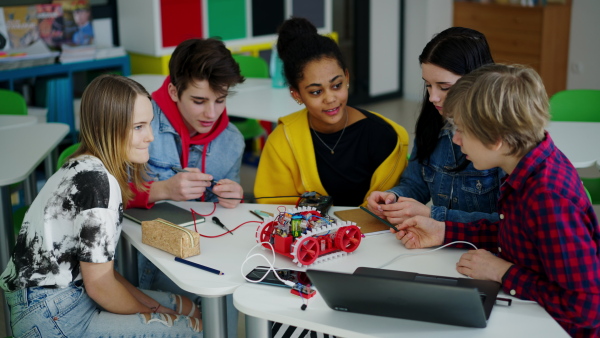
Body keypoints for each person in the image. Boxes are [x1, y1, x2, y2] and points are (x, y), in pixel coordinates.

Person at [395, 64, 600, 337]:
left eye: (462, 130)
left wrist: (503, 272)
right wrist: (444, 231)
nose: (455, 140)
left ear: (497, 140)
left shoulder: (548, 198)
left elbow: (586, 308)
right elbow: (517, 234)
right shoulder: (524, 166)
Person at [0, 74, 203, 337]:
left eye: (150, 124)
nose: (151, 136)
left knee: (191, 306)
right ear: (107, 128)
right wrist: (156, 313)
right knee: (192, 330)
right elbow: (100, 286)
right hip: (53, 313)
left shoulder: (79, 163)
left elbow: (98, 272)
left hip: (57, 298)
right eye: (139, 127)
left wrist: (154, 307)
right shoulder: (99, 185)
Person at [130, 38, 245, 338]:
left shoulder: (232, 141)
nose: (211, 113)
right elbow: (102, 194)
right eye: (199, 101)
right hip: (140, 255)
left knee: (226, 290)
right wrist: (162, 190)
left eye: (220, 100)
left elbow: (223, 215)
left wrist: (232, 197)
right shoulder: (140, 123)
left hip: (203, 249)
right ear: (173, 91)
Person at [254, 17, 409, 207]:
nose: (330, 98)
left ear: (347, 77)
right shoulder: (282, 141)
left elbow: (394, 207)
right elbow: (273, 208)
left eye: (337, 85)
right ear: (297, 94)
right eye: (316, 92)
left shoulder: (383, 136)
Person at [367, 27, 504, 225]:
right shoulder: (433, 122)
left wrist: (432, 215)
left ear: (477, 82)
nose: (432, 97)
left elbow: (508, 224)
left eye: (444, 87)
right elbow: (415, 184)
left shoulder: (503, 139)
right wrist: (393, 199)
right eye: (428, 85)